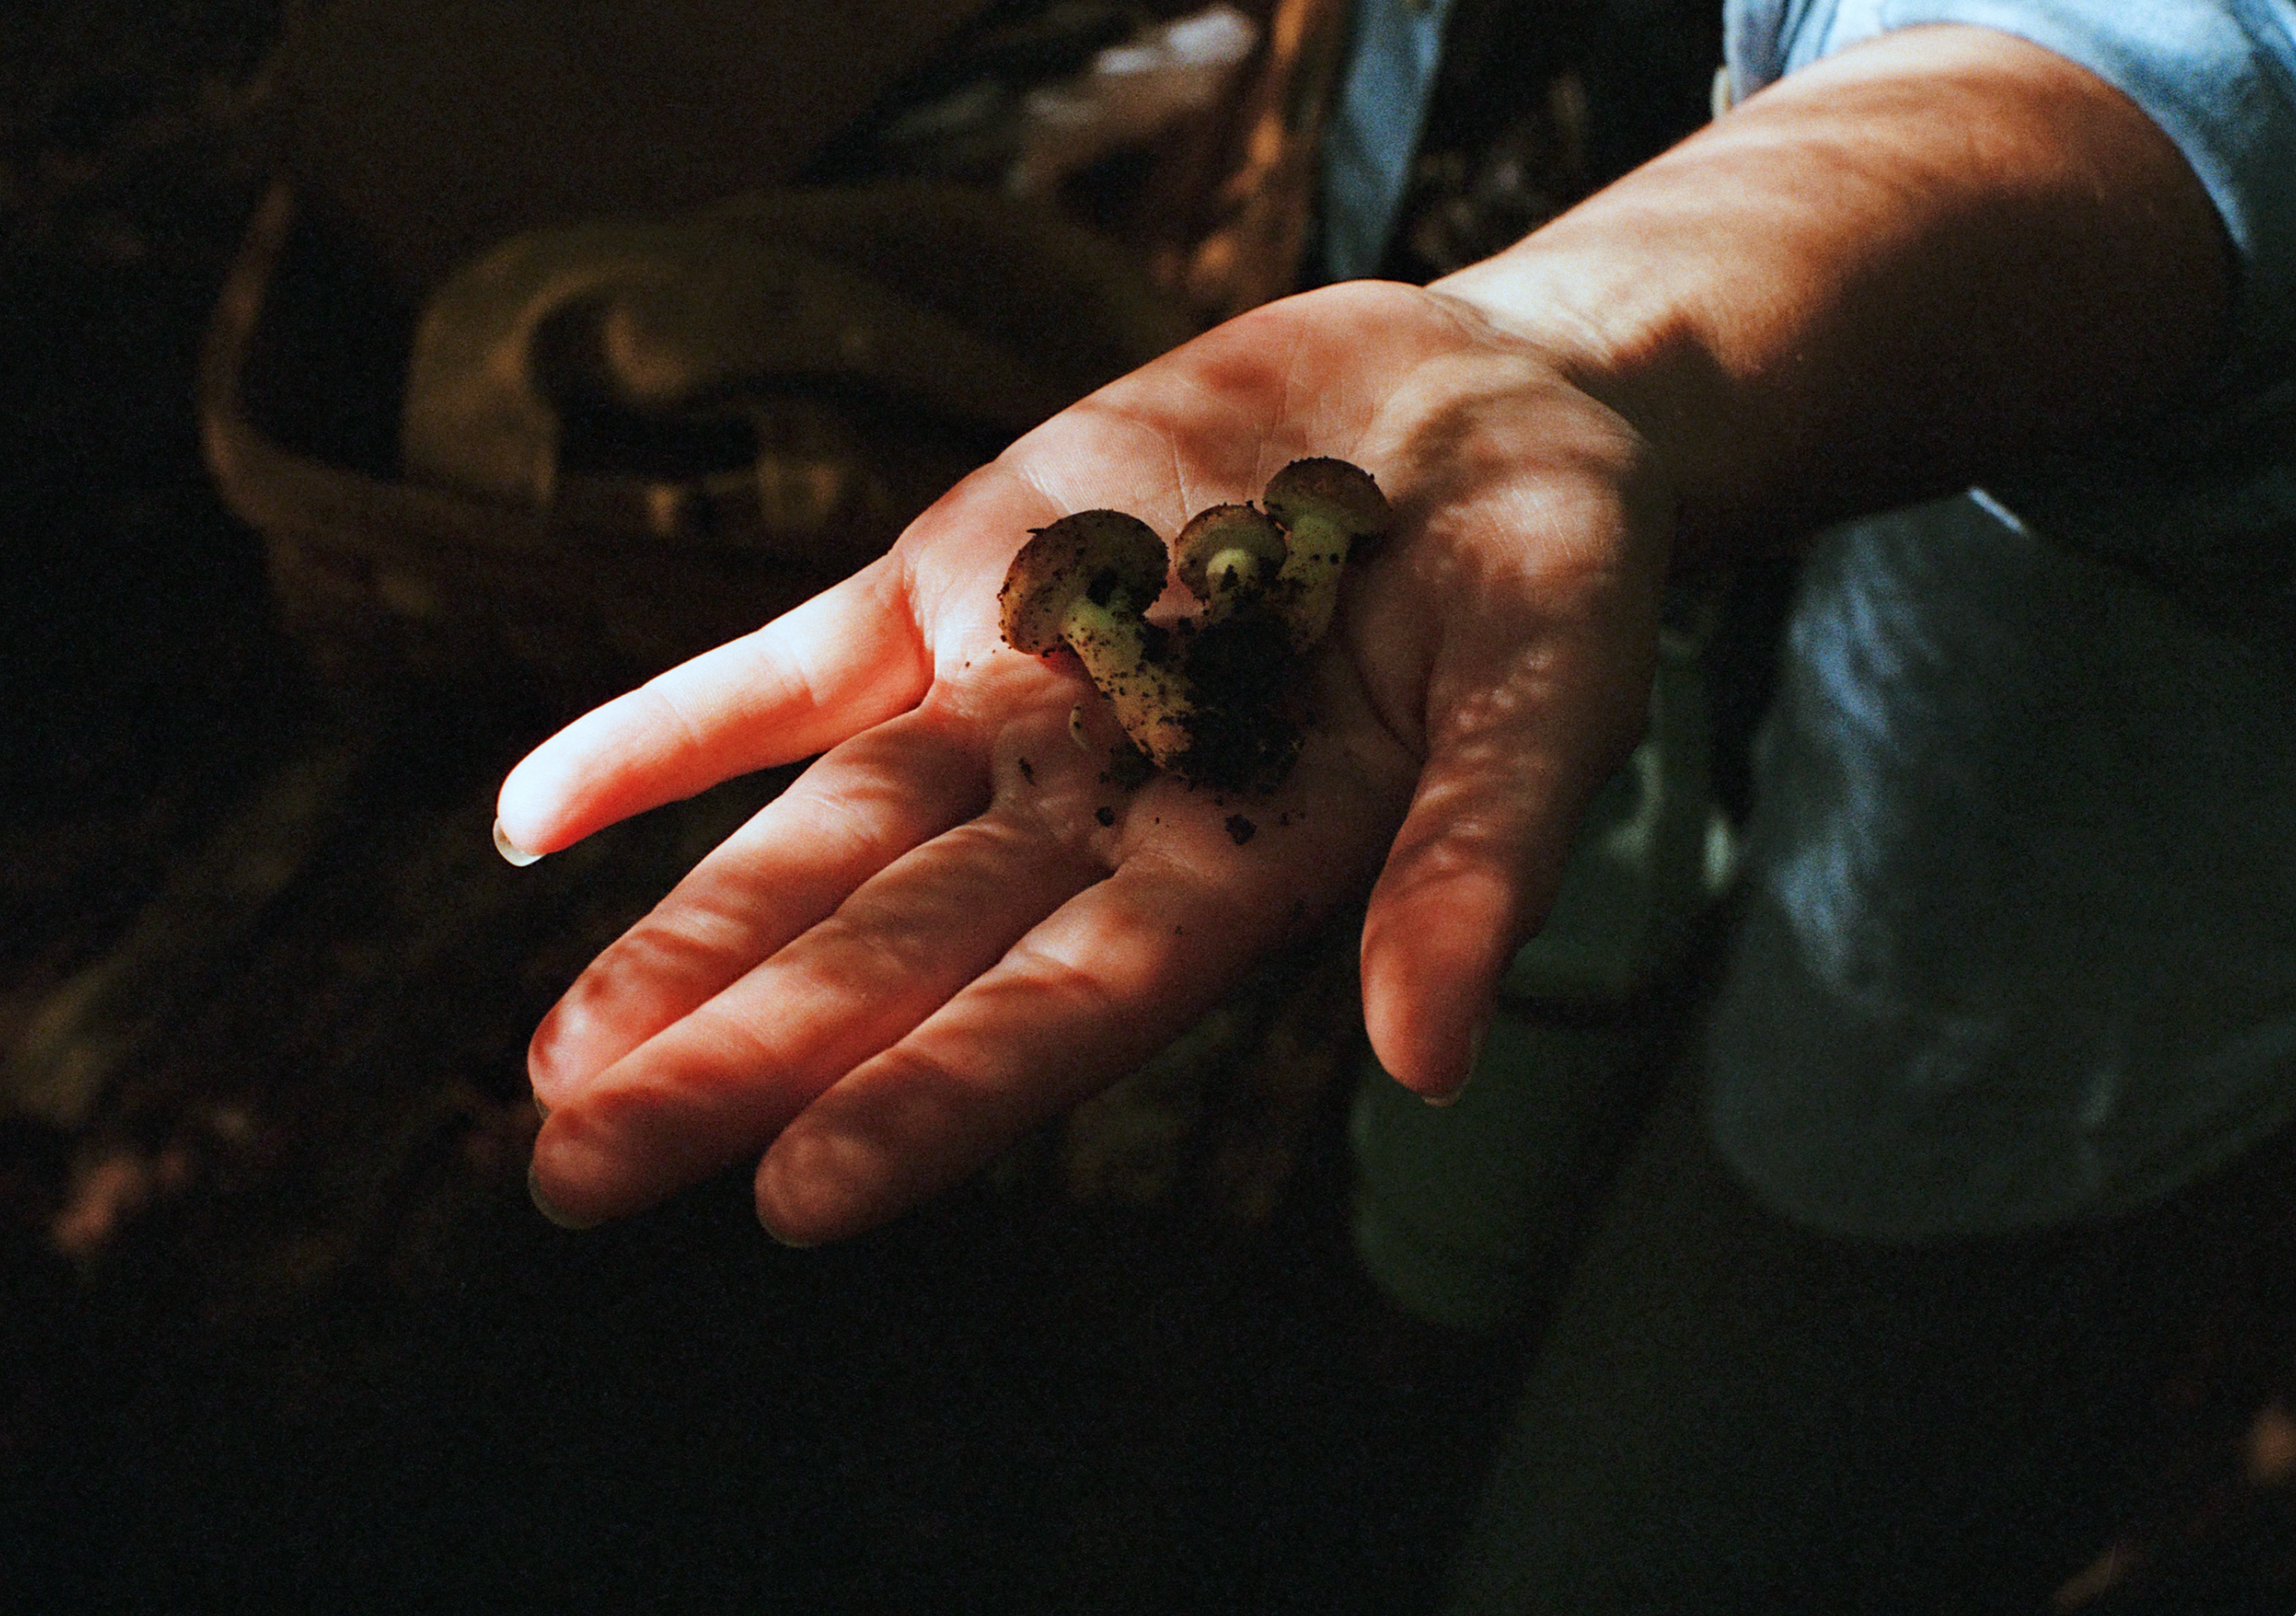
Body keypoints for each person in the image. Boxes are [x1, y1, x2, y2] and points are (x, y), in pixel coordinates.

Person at [494, 1, 2296, 1605]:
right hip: (1525, 573)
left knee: (1720, 1442)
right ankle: (1411, 1347)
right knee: (1485, 1078)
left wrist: (1585, 354)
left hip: (2045, 858)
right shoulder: (1250, 619)